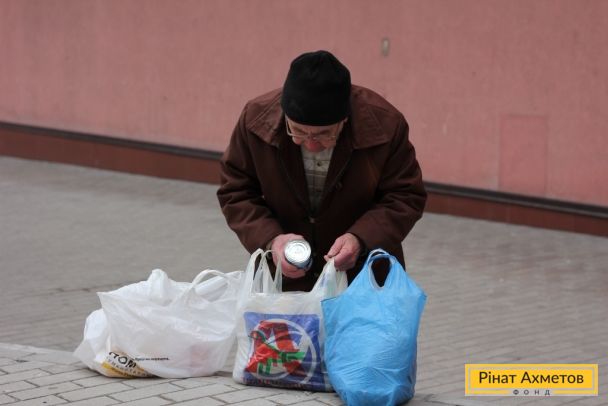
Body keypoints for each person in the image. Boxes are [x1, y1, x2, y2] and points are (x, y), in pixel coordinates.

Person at [217, 50, 426, 291]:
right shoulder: (256, 121)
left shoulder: (385, 125)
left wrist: (361, 238)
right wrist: (271, 239)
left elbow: (405, 196)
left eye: (325, 134)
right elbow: (236, 190)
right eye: (298, 131)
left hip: (363, 278)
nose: (311, 145)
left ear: (345, 120)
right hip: (284, 277)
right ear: (285, 117)